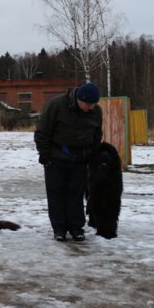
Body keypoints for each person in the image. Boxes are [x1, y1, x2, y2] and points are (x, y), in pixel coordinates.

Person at [34, 81, 103, 242]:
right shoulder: (57, 105)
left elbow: (96, 136)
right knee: (56, 194)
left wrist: (94, 157)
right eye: (88, 104)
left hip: (81, 160)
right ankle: (59, 229)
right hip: (55, 158)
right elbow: (42, 132)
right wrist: (44, 156)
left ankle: (76, 228)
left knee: (76, 195)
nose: (91, 107)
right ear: (79, 99)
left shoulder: (96, 111)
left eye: (94, 104)